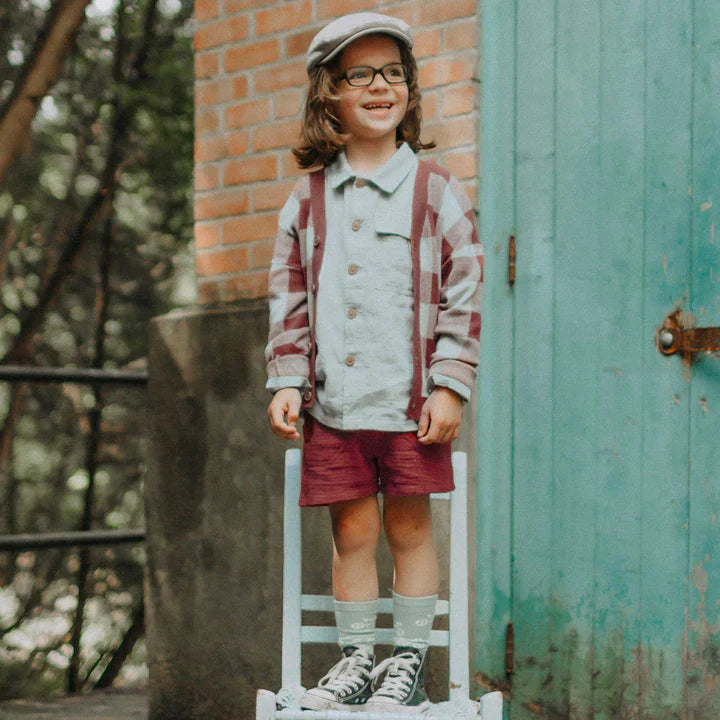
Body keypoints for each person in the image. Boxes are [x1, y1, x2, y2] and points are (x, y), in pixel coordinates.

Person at [265, 12, 483, 714]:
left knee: (409, 528)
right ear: (328, 93)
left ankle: (407, 662)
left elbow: (465, 290)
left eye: (393, 72)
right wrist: (287, 380)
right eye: (359, 74)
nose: (380, 85)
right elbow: (289, 299)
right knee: (352, 532)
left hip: (413, 407)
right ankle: (358, 660)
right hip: (335, 407)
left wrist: (450, 386)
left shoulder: (435, 189)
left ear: (410, 90)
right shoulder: (307, 200)